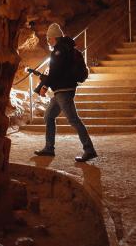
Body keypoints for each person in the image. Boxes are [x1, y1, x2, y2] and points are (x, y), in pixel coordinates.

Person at [33, 23, 97, 162]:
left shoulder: (59, 50)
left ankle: (89, 149)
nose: (48, 41)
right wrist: (46, 82)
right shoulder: (65, 49)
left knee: (73, 120)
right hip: (61, 90)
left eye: (49, 38)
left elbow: (56, 71)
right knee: (49, 116)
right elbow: (58, 70)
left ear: (54, 37)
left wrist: (45, 86)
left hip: (63, 90)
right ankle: (49, 148)